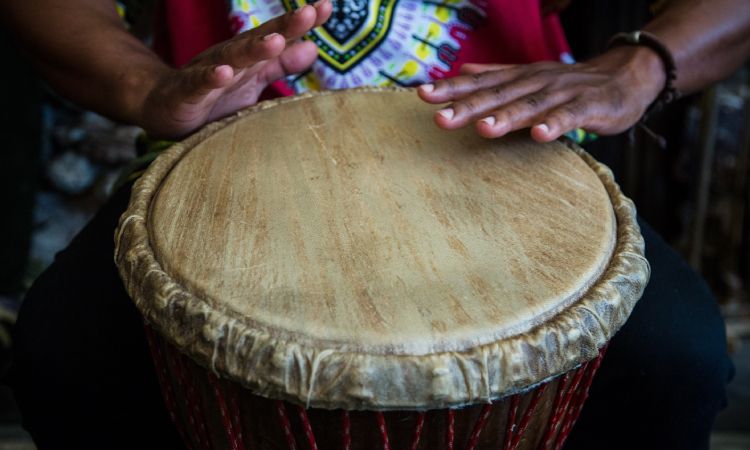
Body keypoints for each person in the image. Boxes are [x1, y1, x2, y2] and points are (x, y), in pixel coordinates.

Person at [1, 0, 748, 448]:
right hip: (216, 155)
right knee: (66, 354)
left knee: (671, 361)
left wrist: (642, 63)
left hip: (512, 152)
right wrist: (150, 83)